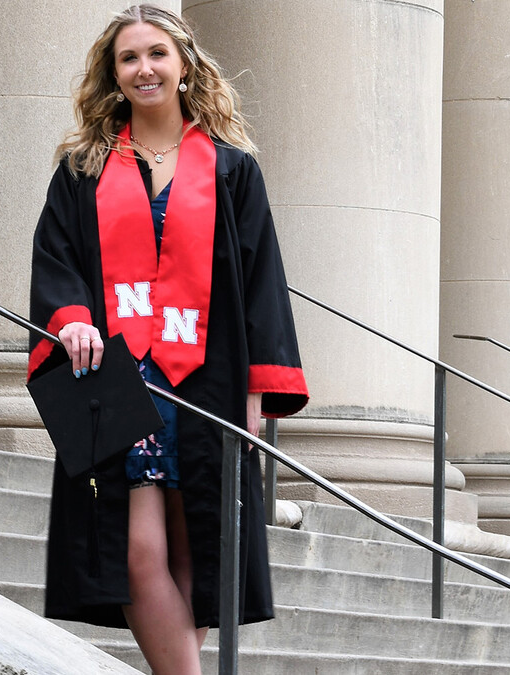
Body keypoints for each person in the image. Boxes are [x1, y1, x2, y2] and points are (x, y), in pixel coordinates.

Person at [28, 5, 308, 673]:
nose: (143, 68)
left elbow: (262, 280)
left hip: (206, 377)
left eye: (156, 53)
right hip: (118, 379)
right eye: (129, 58)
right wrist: (71, 319)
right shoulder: (84, 167)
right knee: (137, 552)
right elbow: (55, 257)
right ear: (113, 74)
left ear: (184, 65)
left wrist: (256, 391)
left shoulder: (233, 170)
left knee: (196, 556)